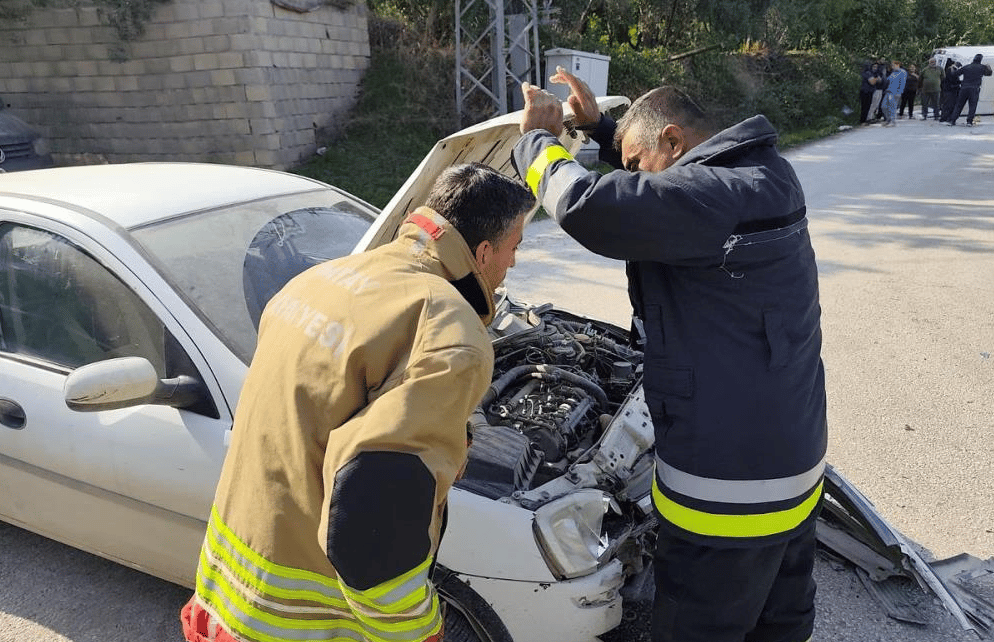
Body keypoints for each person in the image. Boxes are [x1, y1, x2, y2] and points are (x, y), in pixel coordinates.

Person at [513, 68, 828, 642]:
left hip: (726, 494)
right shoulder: (760, 178)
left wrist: (538, 142)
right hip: (789, 469)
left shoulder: (712, 195)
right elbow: (661, 186)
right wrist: (604, 131)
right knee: (778, 624)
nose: (631, 175)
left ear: (675, 142)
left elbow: (588, 206)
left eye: (633, 163)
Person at [179, 163, 535, 642]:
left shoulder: (320, 278)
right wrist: (417, 627)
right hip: (302, 625)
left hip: (224, 595)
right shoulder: (449, 329)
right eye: (514, 248)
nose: (512, 263)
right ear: (485, 251)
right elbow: (370, 508)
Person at [948, 53, 993, 126]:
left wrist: (953, 67)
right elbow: (989, 74)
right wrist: (988, 67)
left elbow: (955, 74)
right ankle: (969, 122)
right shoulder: (982, 67)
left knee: (959, 105)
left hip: (964, 88)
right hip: (974, 89)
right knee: (972, 105)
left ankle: (953, 120)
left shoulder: (967, 67)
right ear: (980, 60)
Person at [882, 60, 907, 125]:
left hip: (895, 92)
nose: (892, 67)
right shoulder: (893, 72)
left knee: (892, 106)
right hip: (888, 91)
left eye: (893, 65)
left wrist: (899, 92)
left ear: (897, 65)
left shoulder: (902, 72)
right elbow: (888, 80)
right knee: (883, 106)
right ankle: (888, 119)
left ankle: (893, 121)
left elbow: (902, 83)